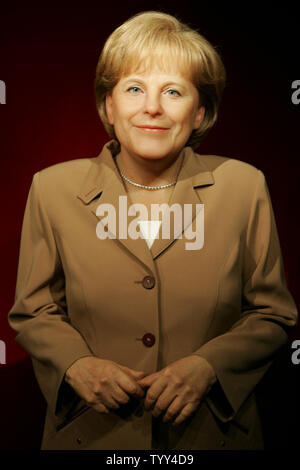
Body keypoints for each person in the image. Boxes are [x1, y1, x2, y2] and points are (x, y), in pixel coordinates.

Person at [8, 10, 298, 450]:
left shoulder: (245, 185)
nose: (152, 107)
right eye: (135, 88)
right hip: (92, 438)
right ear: (109, 104)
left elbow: (273, 314)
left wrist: (209, 366)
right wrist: (76, 366)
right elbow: (34, 310)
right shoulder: (52, 188)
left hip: (212, 438)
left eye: (173, 91)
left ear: (199, 112)